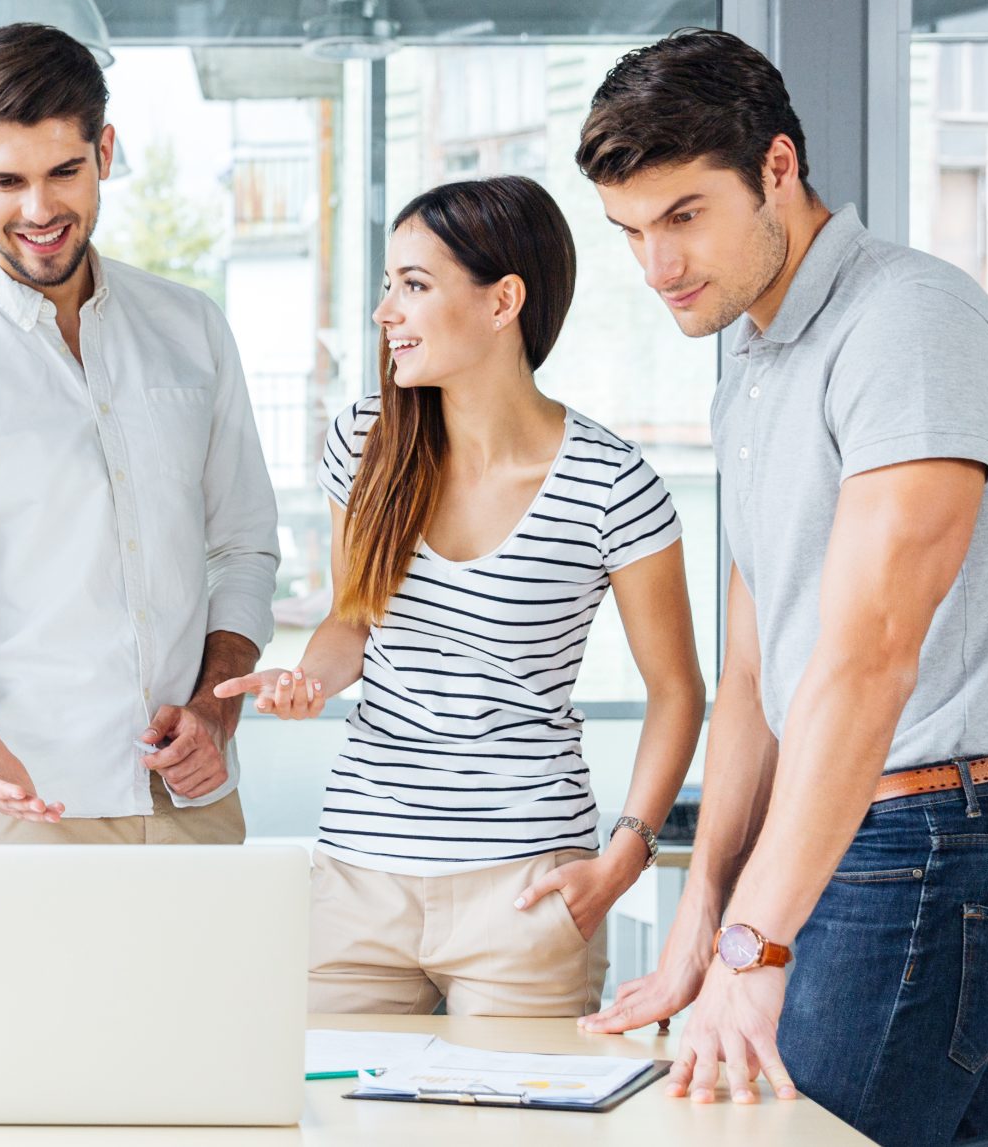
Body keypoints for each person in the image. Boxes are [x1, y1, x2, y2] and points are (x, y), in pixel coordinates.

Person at [573, 30, 988, 1147]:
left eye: (685, 216)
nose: (658, 268)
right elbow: (757, 662)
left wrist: (758, 944)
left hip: (932, 825)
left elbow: (870, 652)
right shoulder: (753, 366)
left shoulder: (905, 325)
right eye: (631, 233)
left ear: (779, 170)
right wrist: (703, 908)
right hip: (857, 823)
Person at [215, 178, 705, 1017]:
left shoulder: (613, 483)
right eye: (386, 286)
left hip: (526, 887)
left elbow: (677, 691)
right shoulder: (365, 441)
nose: (385, 313)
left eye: (415, 284)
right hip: (358, 877)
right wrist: (310, 678)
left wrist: (625, 855)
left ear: (502, 301)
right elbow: (353, 617)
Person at [0, 22, 280, 843]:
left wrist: (214, 711)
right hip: (14, 805)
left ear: (106, 151)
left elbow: (243, 549)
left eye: (64, 171)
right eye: (6, 180)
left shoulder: (191, 330)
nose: (40, 209)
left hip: (190, 797)